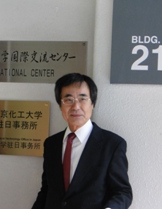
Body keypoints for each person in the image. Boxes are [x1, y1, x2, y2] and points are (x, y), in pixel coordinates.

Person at [32, 73, 132, 209]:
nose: (76, 106)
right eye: (69, 100)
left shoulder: (112, 144)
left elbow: (122, 192)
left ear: (92, 104)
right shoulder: (51, 144)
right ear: (60, 106)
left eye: (82, 99)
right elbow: (47, 190)